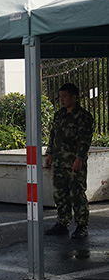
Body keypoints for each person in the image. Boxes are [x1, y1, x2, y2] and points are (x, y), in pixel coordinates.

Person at [44, 83, 94, 238]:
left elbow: (84, 140)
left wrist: (80, 158)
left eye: (64, 96)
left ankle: (81, 225)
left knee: (77, 194)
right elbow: (53, 136)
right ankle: (62, 223)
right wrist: (50, 154)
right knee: (60, 194)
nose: (61, 100)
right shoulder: (59, 115)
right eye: (60, 97)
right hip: (59, 162)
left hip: (74, 163)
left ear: (74, 97)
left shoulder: (83, 116)